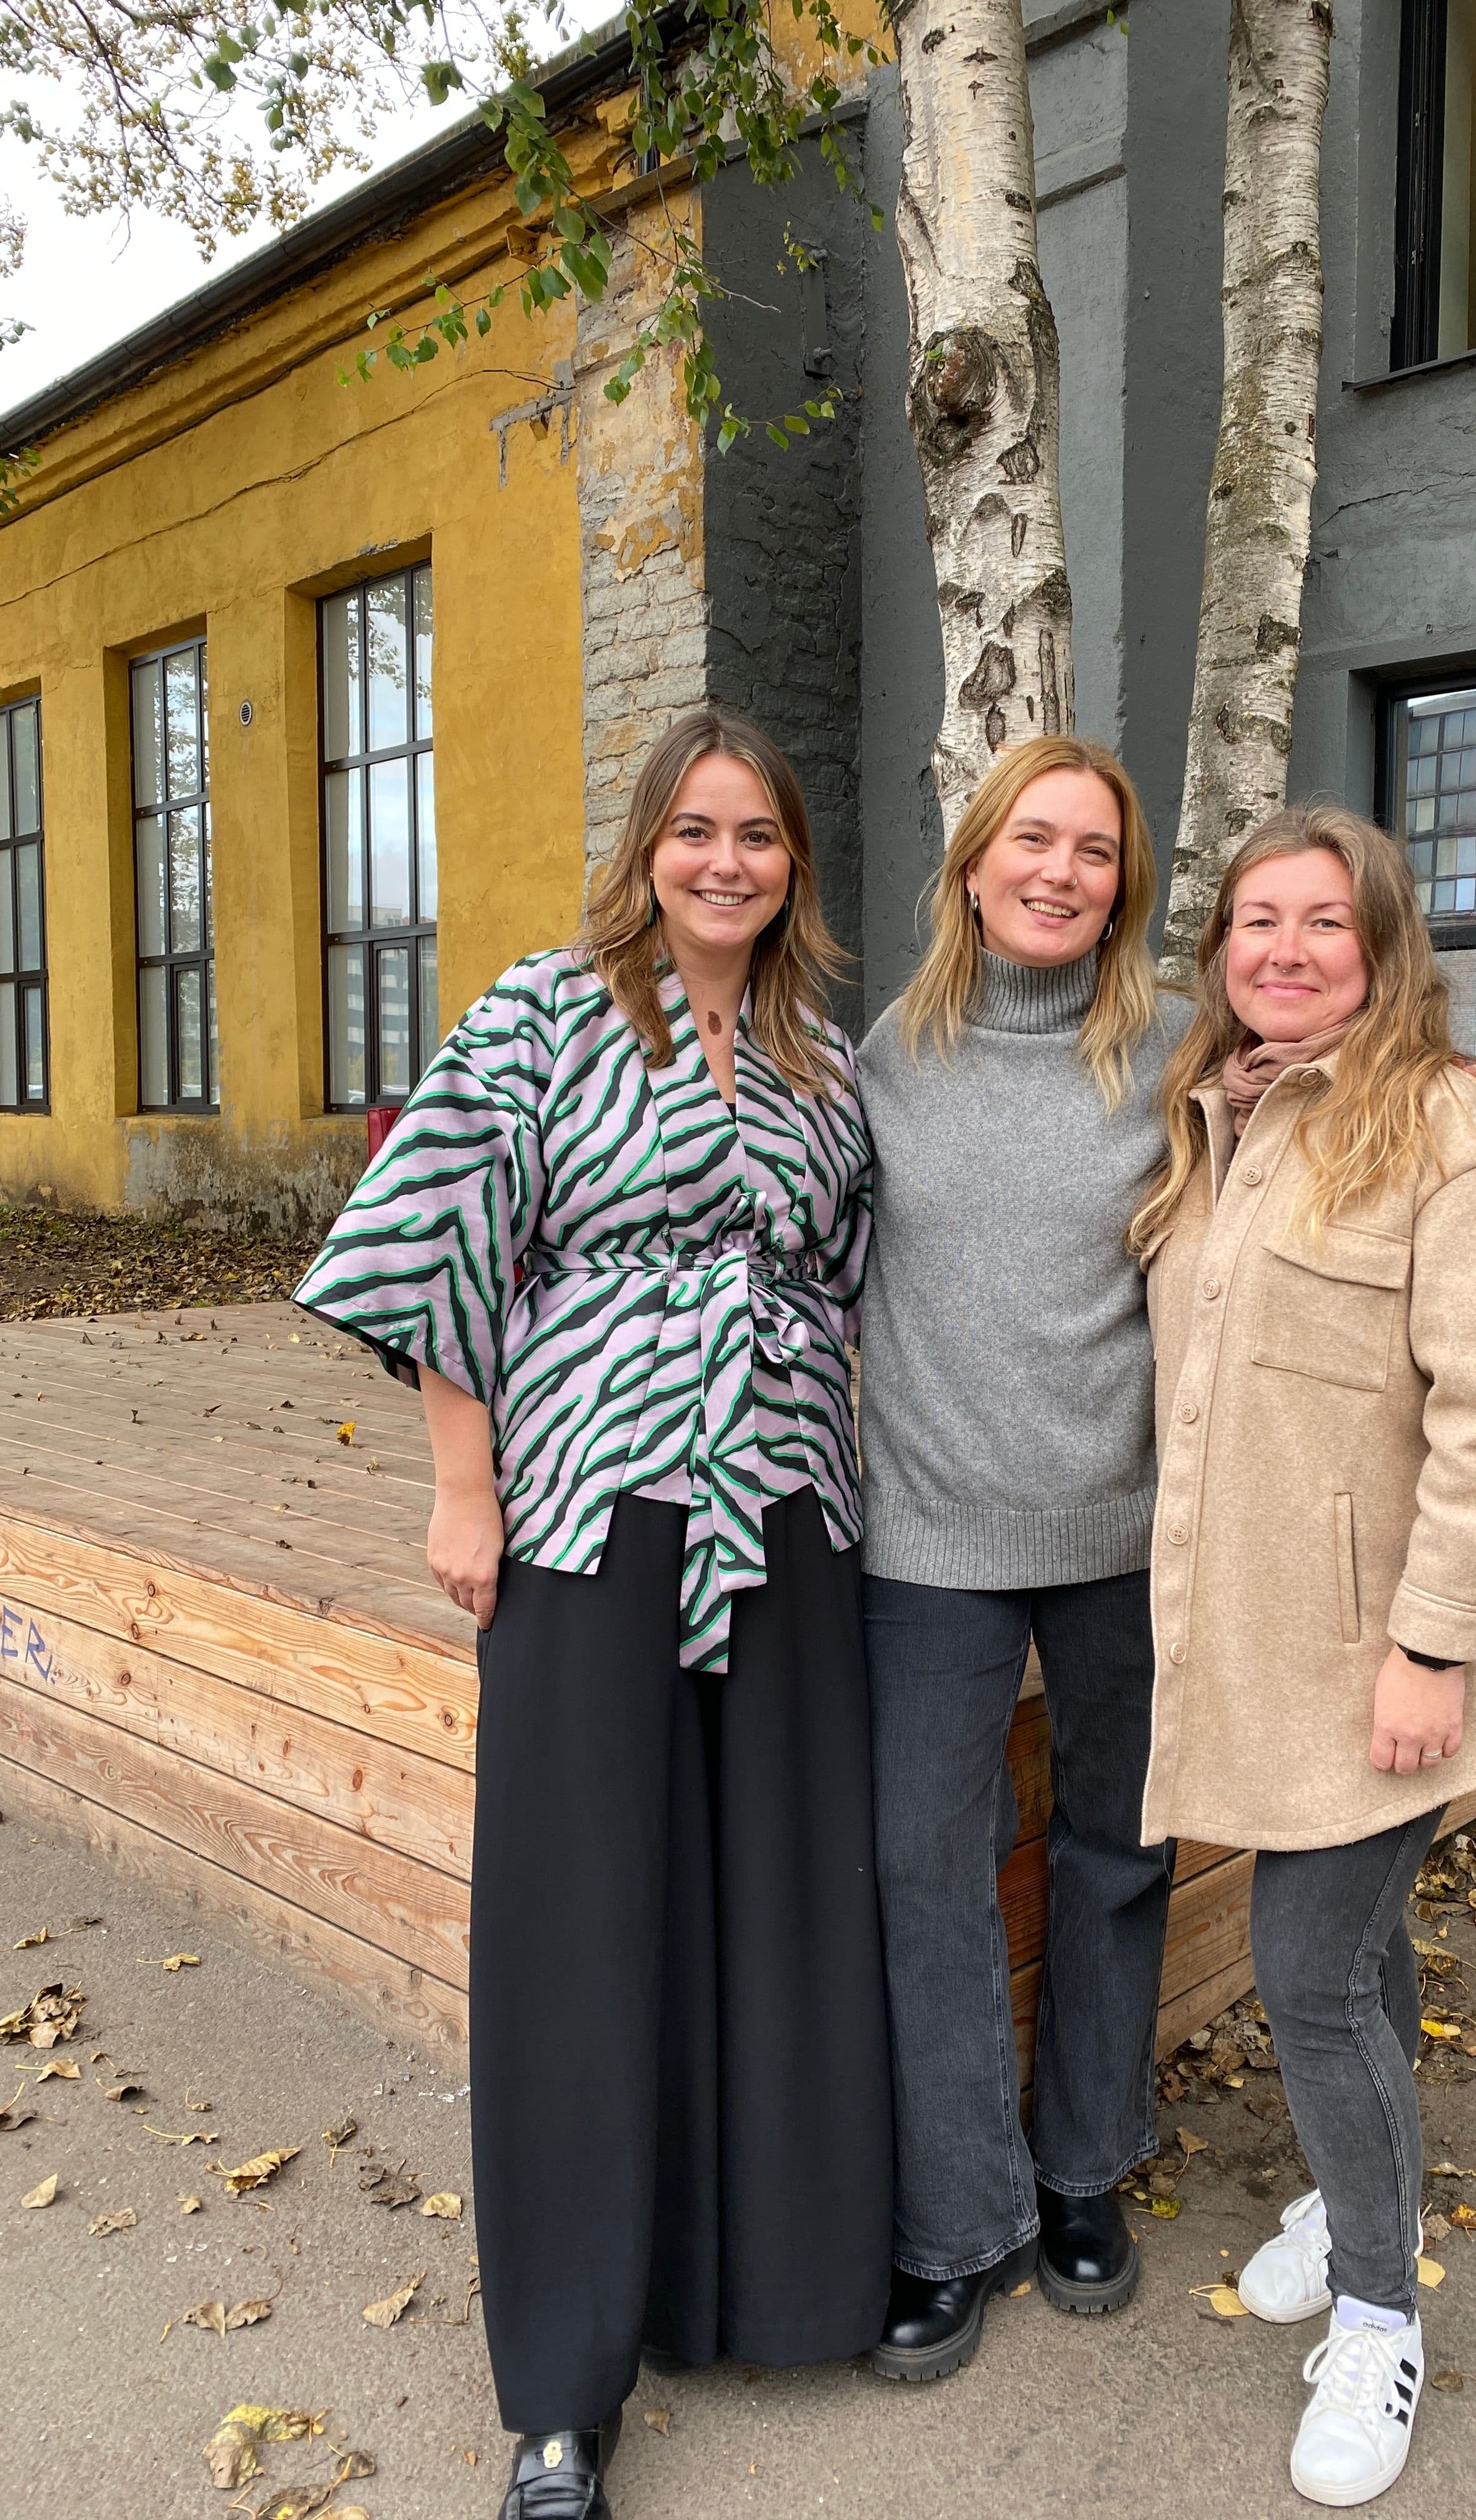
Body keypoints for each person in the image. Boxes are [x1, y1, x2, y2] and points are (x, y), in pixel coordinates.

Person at [294, 708, 890, 2520]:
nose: (726, 862)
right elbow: (435, 1244)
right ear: (646, 848)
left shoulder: (820, 1055)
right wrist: (460, 1486)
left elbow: (855, 1274)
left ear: (794, 866)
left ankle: (762, 2287)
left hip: (786, 1501)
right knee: (579, 1922)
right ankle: (562, 2390)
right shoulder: (542, 1016)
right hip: (586, 1498)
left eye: (759, 836)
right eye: (695, 830)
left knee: (778, 1897)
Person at [1128, 805, 1476, 2508]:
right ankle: (1350, 2201)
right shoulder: (1231, 1118)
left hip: (1389, 1654)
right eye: (1258, 921)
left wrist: (1431, 1649)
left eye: (1326, 922)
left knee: (1311, 1970)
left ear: (1385, 948)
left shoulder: (1465, 1143)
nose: (1288, 951)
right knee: (1355, 1946)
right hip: (1268, 1633)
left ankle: (1382, 2316)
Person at [857, 734, 1185, 2382]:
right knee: (922, 1868)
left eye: (1094, 852)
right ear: (974, 863)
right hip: (927, 1531)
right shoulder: (883, 1059)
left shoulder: (1180, 1055)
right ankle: (955, 2216)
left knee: (1118, 1851)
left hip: (1124, 1529)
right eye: (1033, 841)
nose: (1062, 872)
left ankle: (1082, 2170)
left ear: (1123, 888)